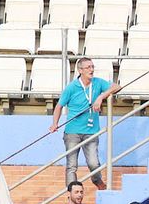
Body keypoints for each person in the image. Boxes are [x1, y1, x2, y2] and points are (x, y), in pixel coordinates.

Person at [49, 57, 119, 188]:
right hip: (72, 132)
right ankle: (71, 192)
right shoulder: (71, 87)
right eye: (88, 67)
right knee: (71, 165)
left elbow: (117, 86)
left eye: (92, 67)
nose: (91, 70)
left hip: (91, 131)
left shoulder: (98, 83)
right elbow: (59, 106)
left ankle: (97, 181)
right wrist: (55, 123)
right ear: (80, 70)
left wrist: (101, 97)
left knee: (93, 163)